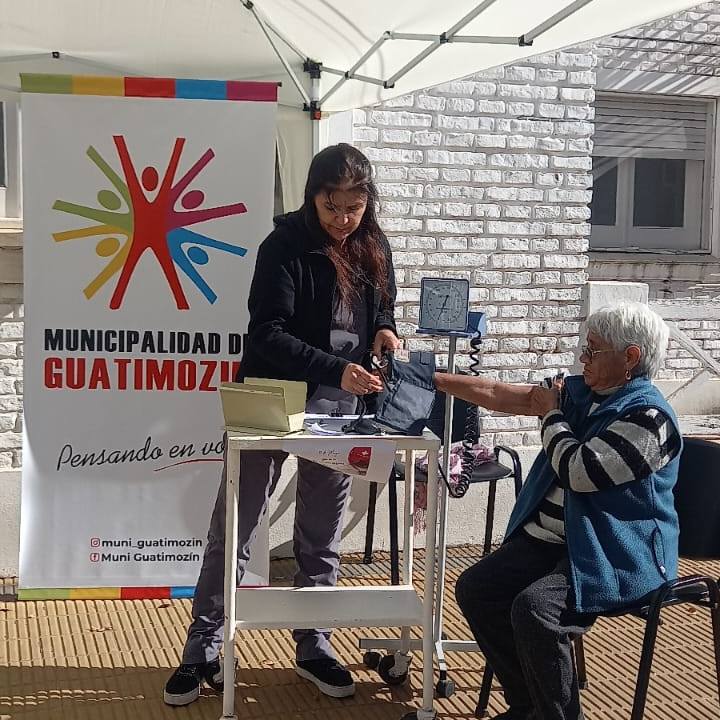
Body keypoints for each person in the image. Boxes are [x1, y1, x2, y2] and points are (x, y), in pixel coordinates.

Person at [164, 143, 399, 706]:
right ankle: (203, 648)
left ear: (368, 203)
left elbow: (384, 307)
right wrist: (336, 368)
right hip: (270, 400)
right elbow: (266, 333)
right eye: (331, 206)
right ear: (311, 197)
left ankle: (314, 644)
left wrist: (385, 330)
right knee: (236, 526)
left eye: (354, 207)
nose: (343, 219)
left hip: (338, 412)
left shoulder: (374, 244)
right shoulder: (283, 245)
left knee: (321, 534)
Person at [434, 302, 682, 720]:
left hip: (616, 554)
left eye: (593, 350)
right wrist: (433, 379)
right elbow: (500, 394)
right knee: (478, 588)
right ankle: (529, 707)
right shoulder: (582, 393)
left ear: (630, 357)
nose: (583, 358)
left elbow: (578, 472)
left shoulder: (650, 419)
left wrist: (551, 414)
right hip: (559, 541)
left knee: (535, 610)